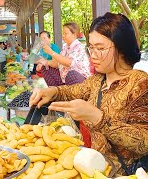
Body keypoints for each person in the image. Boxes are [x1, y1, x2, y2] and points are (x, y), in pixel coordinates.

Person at [30, 13, 148, 175]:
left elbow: (144, 142)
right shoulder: (98, 80)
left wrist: (97, 117)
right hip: (96, 170)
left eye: (100, 48)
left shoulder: (140, 83)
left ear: (121, 48)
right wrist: (53, 91)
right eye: (91, 48)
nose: (92, 55)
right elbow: (73, 91)